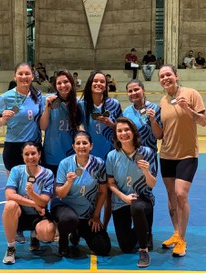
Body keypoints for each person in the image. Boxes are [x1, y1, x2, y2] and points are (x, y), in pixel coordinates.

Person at [158, 64, 206, 257]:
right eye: (162, 76)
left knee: (181, 195)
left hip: (187, 155)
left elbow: (203, 121)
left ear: (176, 76)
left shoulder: (191, 93)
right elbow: (162, 133)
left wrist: (188, 109)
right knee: (171, 197)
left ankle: (182, 240)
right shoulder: (163, 100)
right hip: (166, 155)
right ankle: (176, 233)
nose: (165, 78)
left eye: (168, 74)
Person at [0, 62, 43, 243]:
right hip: (13, 148)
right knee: (16, 190)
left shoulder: (38, 96)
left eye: (27, 73)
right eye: (20, 74)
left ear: (32, 76)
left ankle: (36, 230)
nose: (24, 77)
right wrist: (2, 119)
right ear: (15, 77)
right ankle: (19, 228)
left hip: (33, 147)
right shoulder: (6, 97)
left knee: (35, 188)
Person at [50, 130, 111, 257]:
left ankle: (76, 232)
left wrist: (95, 216)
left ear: (91, 146)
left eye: (85, 143)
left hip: (86, 214)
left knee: (103, 248)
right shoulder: (65, 163)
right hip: (64, 207)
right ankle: (63, 243)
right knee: (69, 219)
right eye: (78, 143)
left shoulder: (99, 164)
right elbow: (60, 194)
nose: (81, 146)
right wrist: (69, 182)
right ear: (73, 146)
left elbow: (103, 192)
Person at [106, 117, 157, 268]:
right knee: (126, 247)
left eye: (127, 130)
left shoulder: (147, 152)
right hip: (121, 200)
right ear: (116, 135)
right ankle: (145, 231)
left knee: (137, 206)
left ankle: (144, 250)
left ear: (133, 132)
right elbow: (110, 184)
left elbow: (152, 184)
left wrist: (146, 171)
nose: (124, 133)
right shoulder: (112, 156)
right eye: (120, 131)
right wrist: (123, 197)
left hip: (142, 199)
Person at [78, 70, 122, 230]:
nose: (98, 84)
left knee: (109, 193)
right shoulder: (82, 105)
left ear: (106, 85)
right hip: (90, 157)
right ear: (90, 84)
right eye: (95, 81)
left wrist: (111, 124)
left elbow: (122, 129)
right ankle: (87, 223)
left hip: (109, 156)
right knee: (89, 192)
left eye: (102, 81)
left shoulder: (114, 105)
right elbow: (78, 126)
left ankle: (103, 225)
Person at [2, 142, 56, 264]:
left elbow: (44, 201)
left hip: (38, 214)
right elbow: (9, 195)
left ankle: (35, 235)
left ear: (40, 154)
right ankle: (11, 247)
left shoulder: (47, 174)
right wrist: (33, 204)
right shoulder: (16, 171)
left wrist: (32, 194)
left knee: (48, 234)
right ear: (22, 156)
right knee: (10, 205)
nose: (30, 157)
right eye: (27, 154)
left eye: (33, 153)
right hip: (20, 213)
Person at [40, 69, 81, 176]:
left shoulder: (78, 103)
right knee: (52, 189)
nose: (63, 85)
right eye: (59, 83)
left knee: (69, 189)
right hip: (52, 154)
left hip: (71, 155)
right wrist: (47, 107)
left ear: (71, 83)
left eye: (66, 82)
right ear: (55, 86)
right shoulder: (48, 100)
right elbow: (43, 126)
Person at [123, 79, 163, 174]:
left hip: (149, 156)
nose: (133, 93)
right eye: (130, 91)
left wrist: (153, 120)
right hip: (130, 156)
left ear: (143, 90)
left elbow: (159, 136)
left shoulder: (155, 109)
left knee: (147, 186)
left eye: (136, 89)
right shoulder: (126, 112)